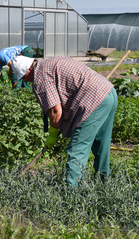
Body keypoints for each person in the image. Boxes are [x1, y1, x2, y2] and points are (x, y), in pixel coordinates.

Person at [11, 55, 118, 187]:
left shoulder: (40, 76)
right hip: (108, 92)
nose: (26, 81)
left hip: (93, 100)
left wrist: (53, 134)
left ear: (28, 70)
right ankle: (104, 185)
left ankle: (71, 196)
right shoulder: (48, 63)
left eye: (23, 77)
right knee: (101, 144)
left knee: (77, 150)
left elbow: (56, 111)